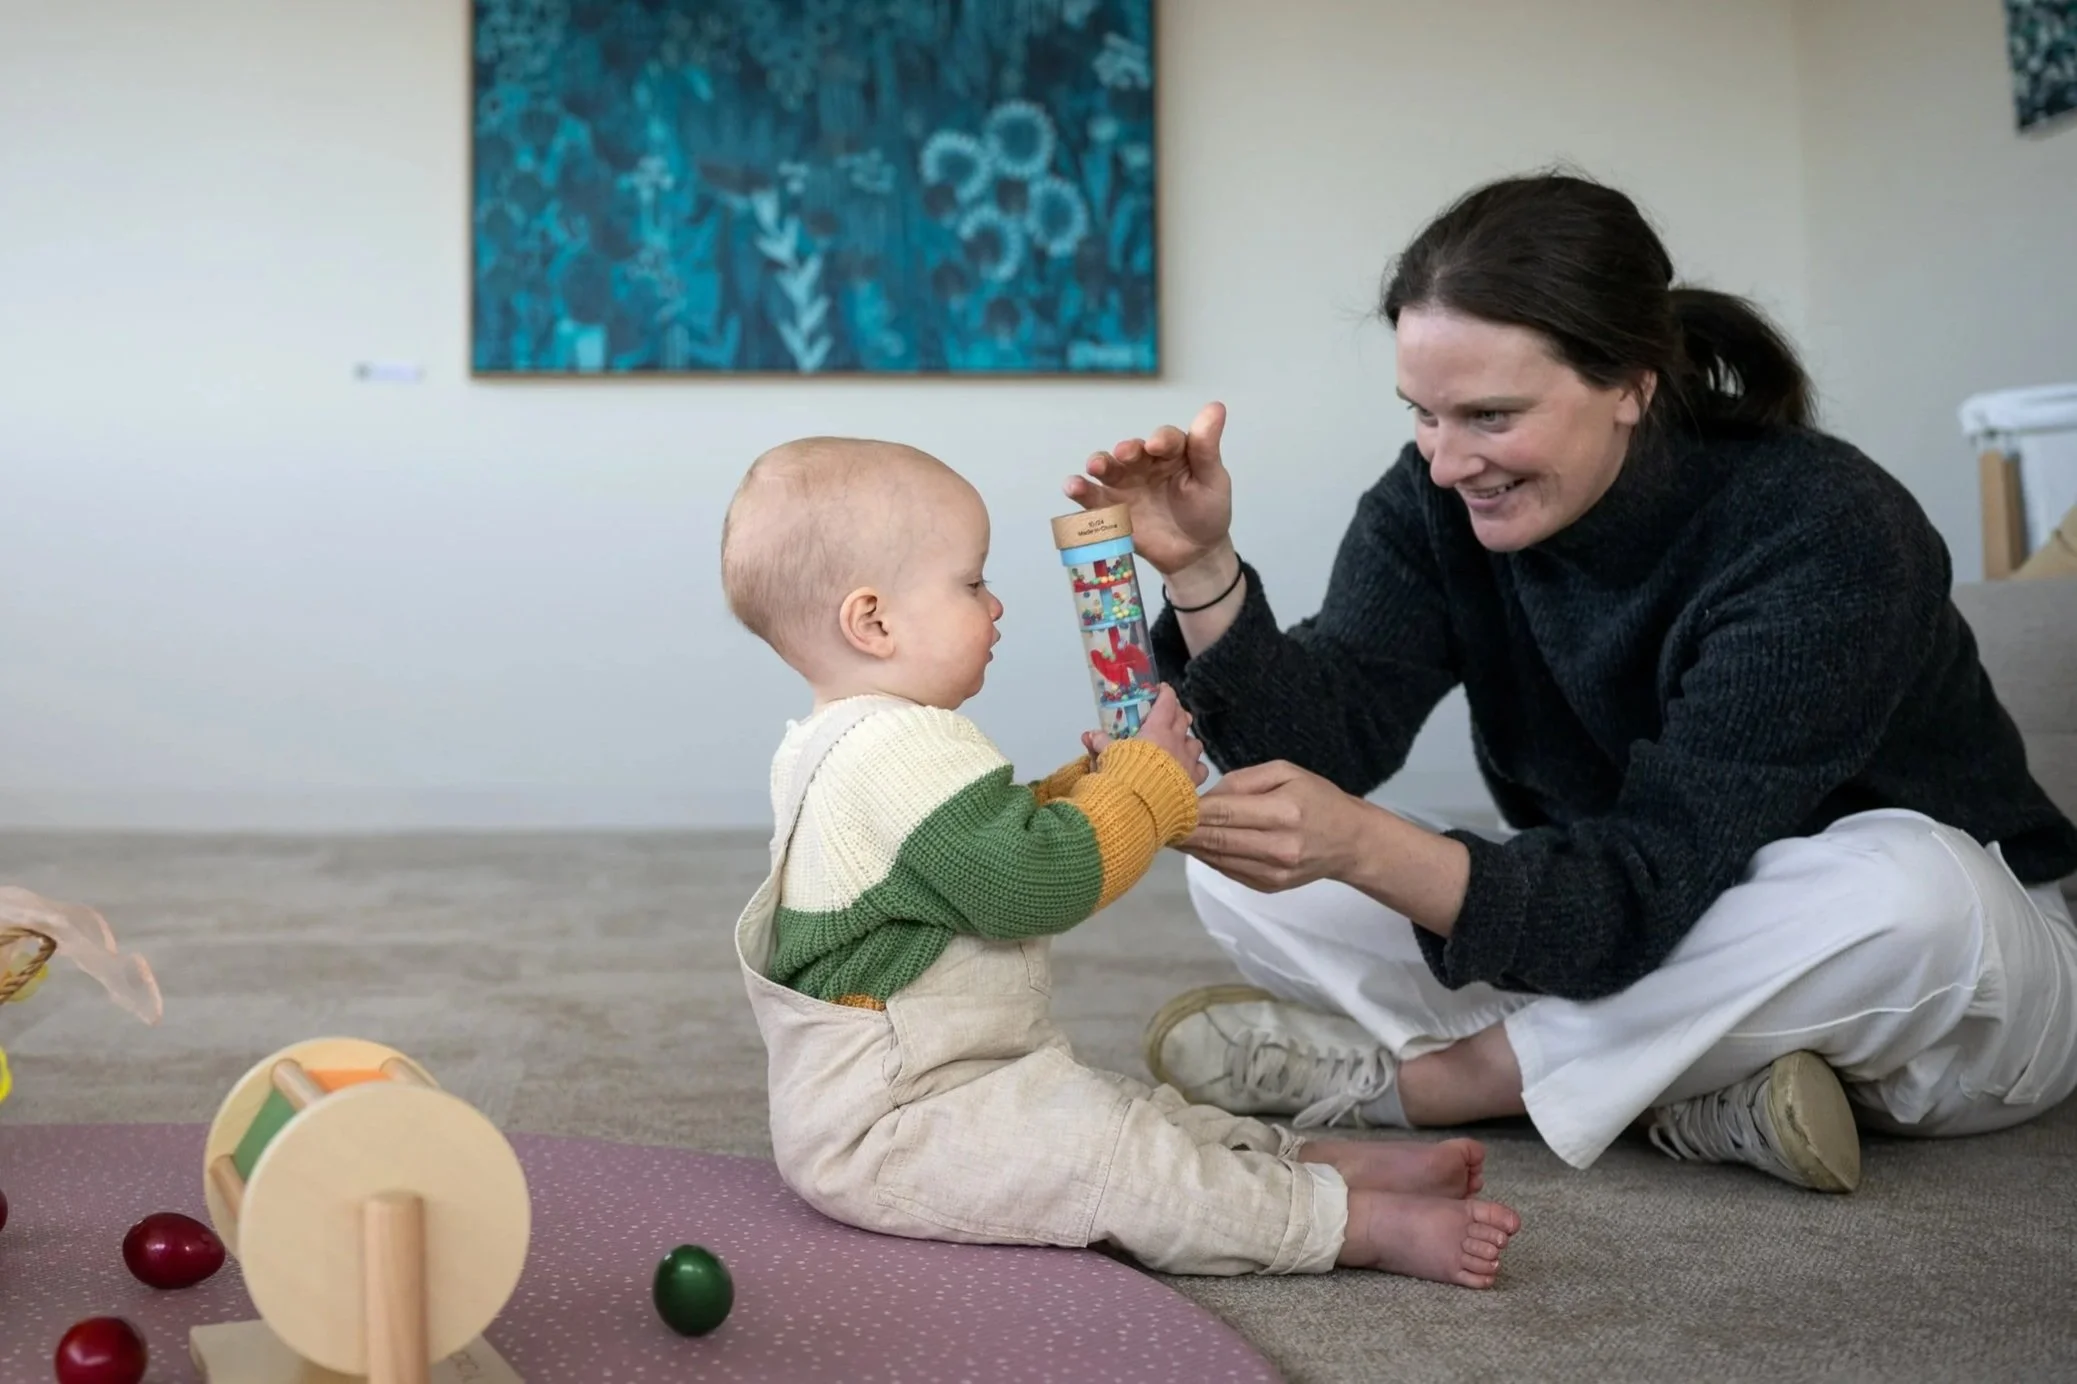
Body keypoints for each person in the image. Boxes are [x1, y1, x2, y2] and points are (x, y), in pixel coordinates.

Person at [1065, 172, 2077, 1194]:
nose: (1448, 461)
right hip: (1636, 921)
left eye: (1491, 416)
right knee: (1234, 861)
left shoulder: (1823, 531)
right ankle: (1693, 1086)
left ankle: (1436, 1083)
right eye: (1422, 413)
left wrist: (1364, 841)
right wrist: (1201, 569)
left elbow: (1646, 885)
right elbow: (1324, 746)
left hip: (1935, 990)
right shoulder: (1433, 498)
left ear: (1633, 384)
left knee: (1909, 885)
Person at [718, 437, 1521, 1285]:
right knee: (1118, 1168)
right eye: (971, 583)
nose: (995, 607)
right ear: (872, 621)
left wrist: (1089, 786)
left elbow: (979, 840)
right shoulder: (891, 749)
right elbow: (1029, 882)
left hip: (966, 1081)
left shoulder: (865, 740)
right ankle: (1343, 1221)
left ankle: (1310, 1159)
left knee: (1128, 1114)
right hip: (892, 1126)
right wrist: (1140, 782)